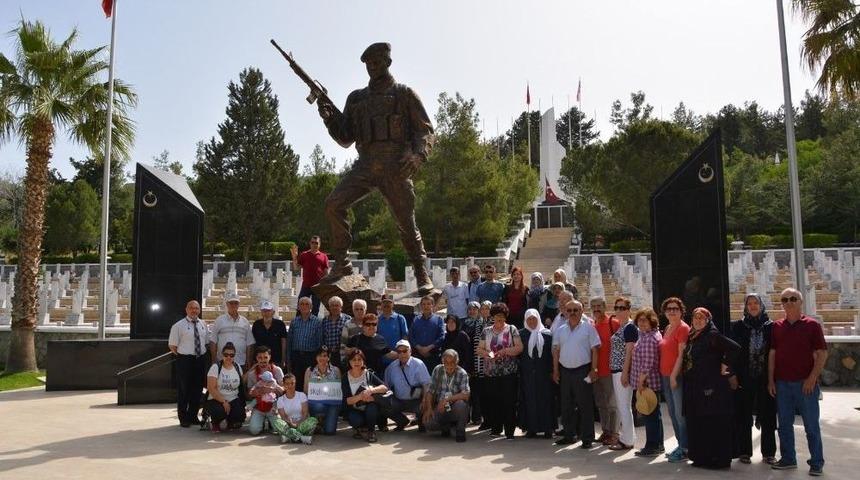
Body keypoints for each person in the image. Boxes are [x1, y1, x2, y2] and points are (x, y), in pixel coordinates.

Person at [318, 42, 435, 293]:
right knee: (333, 204)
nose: (372, 66)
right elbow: (346, 138)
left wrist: (418, 156)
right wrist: (329, 118)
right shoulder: (356, 98)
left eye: (377, 62)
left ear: (387, 62)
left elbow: (425, 131)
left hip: (395, 166)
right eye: (368, 63)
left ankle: (421, 273)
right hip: (365, 165)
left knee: (407, 223)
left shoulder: (404, 94)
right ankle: (342, 264)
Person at [768, 288, 827, 475]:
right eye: (785, 300)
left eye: (793, 298)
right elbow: (772, 354)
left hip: (805, 384)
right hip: (782, 384)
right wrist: (771, 380)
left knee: (811, 426)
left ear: (801, 302)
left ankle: (816, 462)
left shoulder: (812, 325)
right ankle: (788, 459)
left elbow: (822, 353)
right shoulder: (776, 326)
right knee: (784, 425)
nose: (789, 302)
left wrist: (812, 378)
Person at [682, 307, 740, 469]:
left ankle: (718, 459)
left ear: (708, 321)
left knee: (714, 422)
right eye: (695, 318)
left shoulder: (712, 335)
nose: (698, 321)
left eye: (702, 318)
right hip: (696, 386)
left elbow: (735, 348)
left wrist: (725, 364)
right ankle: (701, 457)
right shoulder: (693, 336)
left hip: (712, 387)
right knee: (700, 422)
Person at [728, 293, 777, 465]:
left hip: (765, 378)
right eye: (750, 303)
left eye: (756, 303)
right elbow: (731, 352)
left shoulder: (771, 327)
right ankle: (744, 451)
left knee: (768, 415)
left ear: (761, 305)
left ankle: (768, 453)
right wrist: (732, 375)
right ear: (745, 306)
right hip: (744, 377)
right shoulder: (738, 326)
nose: (753, 306)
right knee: (743, 415)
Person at [552, 299, 600, 449]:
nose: (572, 313)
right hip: (565, 371)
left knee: (585, 405)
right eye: (569, 310)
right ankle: (569, 435)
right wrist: (555, 370)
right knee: (566, 405)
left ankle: (587, 438)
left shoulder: (589, 328)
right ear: (565, 312)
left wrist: (594, 369)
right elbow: (556, 351)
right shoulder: (560, 330)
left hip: (582, 370)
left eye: (575, 310)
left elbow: (595, 350)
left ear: (581, 311)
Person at [478, 302, 523, 439]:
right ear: (492, 316)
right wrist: (489, 354)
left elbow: (519, 347)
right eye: (497, 315)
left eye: (502, 316)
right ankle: (496, 428)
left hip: (508, 373)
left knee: (509, 401)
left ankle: (509, 431)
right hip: (491, 372)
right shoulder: (486, 331)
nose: (500, 318)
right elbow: (479, 349)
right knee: (494, 401)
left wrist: (505, 351)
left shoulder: (512, 329)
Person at [168, 300, 210, 427]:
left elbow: (206, 342)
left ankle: (193, 416)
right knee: (184, 390)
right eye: (191, 308)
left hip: (200, 360)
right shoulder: (178, 326)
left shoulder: (203, 324)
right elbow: (172, 346)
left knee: (197, 390)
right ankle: (183, 418)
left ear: (199, 310)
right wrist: (184, 355)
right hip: (185, 360)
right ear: (186, 310)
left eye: (196, 308)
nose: (194, 310)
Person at [659, 296, 690, 463]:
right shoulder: (668, 327)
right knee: (672, 412)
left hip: (676, 376)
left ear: (681, 311)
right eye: (669, 309)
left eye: (675, 309)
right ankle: (680, 445)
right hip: (665, 375)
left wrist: (673, 376)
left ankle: (685, 448)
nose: (672, 311)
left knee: (680, 414)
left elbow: (681, 355)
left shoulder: (683, 328)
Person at [630, 308, 664, 457]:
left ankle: (652, 446)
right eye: (639, 320)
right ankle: (658, 445)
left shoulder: (650, 338)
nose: (641, 323)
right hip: (647, 382)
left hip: (647, 383)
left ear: (652, 321)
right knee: (654, 415)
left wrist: (640, 382)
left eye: (645, 320)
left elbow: (648, 363)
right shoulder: (645, 335)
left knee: (649, 415)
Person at [606, 296, 638, 450]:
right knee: (623, 406)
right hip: (617, 370)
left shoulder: (630, 327)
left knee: (624, 407)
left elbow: (629, 351)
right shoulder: (622, 326)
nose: (619, 311)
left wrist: (625, 373)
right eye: (616, 308)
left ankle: (627, 440)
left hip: (622, 371)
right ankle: (628, 437)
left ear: (629, 310)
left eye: (622, 308)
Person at [518, 308, 554, 438]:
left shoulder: (547, 334)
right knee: (530, 400)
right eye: (529, 319)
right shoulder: (521, 334)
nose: (532, 321)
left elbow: (552, 354)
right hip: (527, 374)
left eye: (534, 318)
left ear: (538, 319)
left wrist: (552, 370)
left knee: (546, 400)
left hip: (544, 373)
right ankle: (531, 428)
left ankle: (548, 428)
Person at [422, 349, 471, 442]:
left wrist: (446, 400)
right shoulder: (438, 369)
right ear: (442, 362)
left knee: (462, 405)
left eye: (452, 362)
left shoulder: (462, 373)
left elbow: (466, 394)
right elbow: (430, 391)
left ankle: (460, 431)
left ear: (457, 361)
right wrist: (429, 408)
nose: (449, 366)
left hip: (454, 406)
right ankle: (446, 427)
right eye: (446, 363)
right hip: (439, 407)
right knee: (427, 423)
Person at [342, 349, 391, 443]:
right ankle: (360, 428)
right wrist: (360, 396)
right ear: (349, 362)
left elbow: (385, 387)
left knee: (372, 406)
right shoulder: (345, 377)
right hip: (355, 408)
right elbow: (346, 401)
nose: (357, 362)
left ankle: (371, 431)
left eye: (359, 359)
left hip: (370, 408)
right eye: (354, 359)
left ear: (363, 361)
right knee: (354, 420)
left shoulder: (368, 373)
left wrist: (370, 391)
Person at [590, 296, 620, 445]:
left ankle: (615, 433)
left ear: (604, 306)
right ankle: (606, 431)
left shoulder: (614, 323)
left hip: (610, 371)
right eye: (593, 307)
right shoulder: (592, 326)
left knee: (612, 404)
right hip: (596, 371)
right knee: (601, 404)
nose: (596, 309)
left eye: (599, 306)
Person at [384, 339, 431, 430]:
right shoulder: (391, 367)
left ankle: (421, 422)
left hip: (416, 401)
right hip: (399, 400)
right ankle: (402, 421)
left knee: (426, 403)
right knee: (383, 406)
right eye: (399, 351)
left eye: (405, 351)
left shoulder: (419, 364)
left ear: (410, 351)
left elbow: (426, 384)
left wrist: (424, 400)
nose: (402, 354)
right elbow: (386, 387)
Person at [204, 342, 246, 432]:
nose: (228, 357)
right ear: (222, 355)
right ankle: (215, 422)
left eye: (231, 355)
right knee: (219, 411)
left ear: (234, 356)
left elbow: (242, 382)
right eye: (226, 355)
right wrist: (223, 401)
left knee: (240, 415)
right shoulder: (215, 367)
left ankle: (230, 422)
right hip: (216, 399)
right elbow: (211, 388)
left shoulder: (237, 367)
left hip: (233, 398)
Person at [246, 345, 285, 435]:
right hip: (259, 407)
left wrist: (273, 388)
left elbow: (283, 389)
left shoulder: (277, 370)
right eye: (260, 357)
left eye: (265, 357)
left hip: (273, 406)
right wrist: (258, 391)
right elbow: (249, 394)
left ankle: (272, 422)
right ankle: (261, 422)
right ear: (256, 358)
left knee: (281, 429)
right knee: (254, 430)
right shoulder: (252, 374)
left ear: (270, 357)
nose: (263, 360)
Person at [304, 346, 342, 435]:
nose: (322, 358)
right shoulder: (310, 371)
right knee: (319, 406)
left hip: (332, 405)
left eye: (325, 356)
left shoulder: (336, 371)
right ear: (316, 357)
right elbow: (305, 390)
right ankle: (317, 421)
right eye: (319, 356)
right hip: (316, 404)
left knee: (330, 431)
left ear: (329, 357)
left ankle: (323, 422)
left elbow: (339, 390)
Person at [209, 293, 254, 368]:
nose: (233, 305)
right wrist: (214, 360)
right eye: (231, 303)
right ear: (227, 304)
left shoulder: (245, 322)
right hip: (222, 361)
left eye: (236, 303)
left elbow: (249, 343)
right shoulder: (219, 320)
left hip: (240, 362)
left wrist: (248, 362)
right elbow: (213, 341)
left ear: (239, 305)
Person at [288, 296, 323, 391]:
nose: (304, 306)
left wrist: (318, 360)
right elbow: (290, 341)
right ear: (298, 307)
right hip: (296, 356)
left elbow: (319, 342)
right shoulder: (294, 322)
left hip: (310, 357)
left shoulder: (317, 322)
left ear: (311, 306)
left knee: (309, 383)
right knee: (296, 383)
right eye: (302, 304)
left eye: (307, 304)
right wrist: (288, 359)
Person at [290, 236, 329, 315]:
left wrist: (325, 286)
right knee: (300, 306)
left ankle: (313, 322)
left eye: (316, 243)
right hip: (306, 285)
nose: (314, 244)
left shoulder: (324, 256)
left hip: (318, 287)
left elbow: (326, 272)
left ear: (319, 244)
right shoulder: (304, 255)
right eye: (312, 242)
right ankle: (298, 321)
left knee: (315, 308)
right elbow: (296, 268)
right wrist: (294, 257)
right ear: (310, 243)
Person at [463, 301, 488, 426]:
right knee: (467, 391)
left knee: (477, 391)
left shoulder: (481, 324)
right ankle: (465, 417)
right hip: (467, 361)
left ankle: (477, 416)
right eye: (470, 309)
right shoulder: (464, 324)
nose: (472, 311)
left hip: (479, 361)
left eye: (475, 309)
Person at [274, 373, 317, 444]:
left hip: (301, 424)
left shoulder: (302, 395)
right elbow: (283, 417)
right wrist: (291, 423)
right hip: (288, 425)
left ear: (295, 383)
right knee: (277, 422)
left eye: (292, 383)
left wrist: (297, 424)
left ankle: (289, 437)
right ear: (284, 385)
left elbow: (305, 414)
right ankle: (302, 438)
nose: (290, 386)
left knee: (313, 420)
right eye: (287, 384)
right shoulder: (280, 400)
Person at [409, 296, 446, 372]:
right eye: (424, 304)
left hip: (433, 355)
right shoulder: (416, 319)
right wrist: (419, 348)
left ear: (433, 305)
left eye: (428, 304)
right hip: (418, 355)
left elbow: (441, 336)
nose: (426, 306)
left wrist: (429, 348)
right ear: (421, 306)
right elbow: (411, 336)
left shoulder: (439, 319)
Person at [251, 301, 287, 369]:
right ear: (261, 312)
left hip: (276, 360)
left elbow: (283, 342)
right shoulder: (256, 324)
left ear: (273, 312)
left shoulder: (280, 324)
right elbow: (253, 342)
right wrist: (252, 359)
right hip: (259, 361)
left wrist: (283, 359)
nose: (266, 313)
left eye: (268, 310)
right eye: (264, 310)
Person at [377, 295, 409, 367]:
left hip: (398, 358)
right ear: (381, 305)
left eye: (389, 302)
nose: (386, 304)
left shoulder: (400, 318)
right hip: (382, 359)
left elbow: (405, 337)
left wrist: (402, 354)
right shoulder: (377, 320)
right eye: (384, 302)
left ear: (393, 304)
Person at [322, 296, 351, 370]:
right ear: (329, 307)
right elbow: (323, 337)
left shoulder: (347, 319)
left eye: (337, 305)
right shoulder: (324, 320)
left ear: (341, 307)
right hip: (329, 354)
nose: (334, 307)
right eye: (332, 305)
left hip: (342, 354)